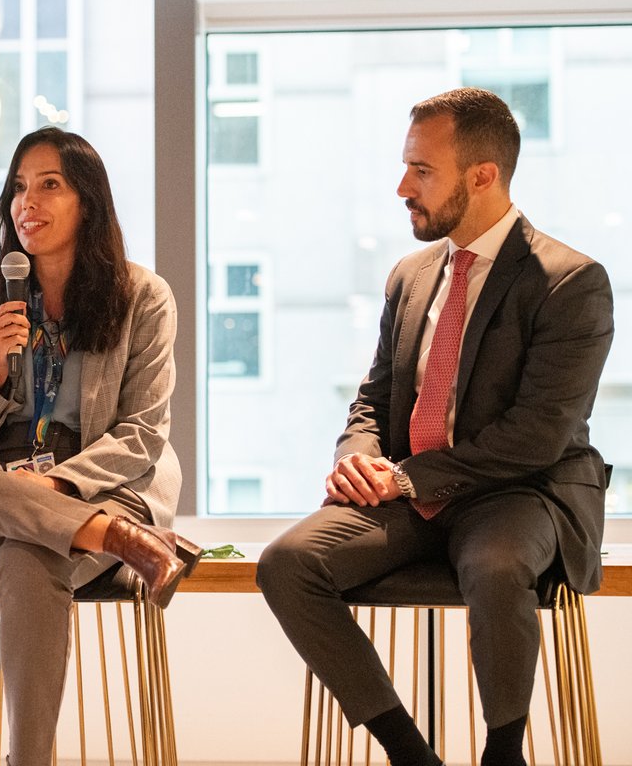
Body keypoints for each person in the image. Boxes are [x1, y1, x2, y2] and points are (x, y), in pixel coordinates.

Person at [256, 87, 614, 766]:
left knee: (499, 564)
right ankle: (411, 755)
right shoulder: (411, 276)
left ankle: (502, 752)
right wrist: (360, 457)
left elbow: (537, 435)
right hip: (408, 495)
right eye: (405, 167)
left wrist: (403, 478)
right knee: (287, 563)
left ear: (484, 175)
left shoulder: (571, 282)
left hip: (520, 492)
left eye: (422, 170)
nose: (402, 187)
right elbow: (375, 395)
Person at [0, 126, 197, 766]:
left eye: (49, 185)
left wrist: (56, 487)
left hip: (105, 488)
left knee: (33, 552)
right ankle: (113, 539)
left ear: (89, 200)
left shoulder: (143, 297)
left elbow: (142, 432)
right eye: (19, 188)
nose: (28, 202)